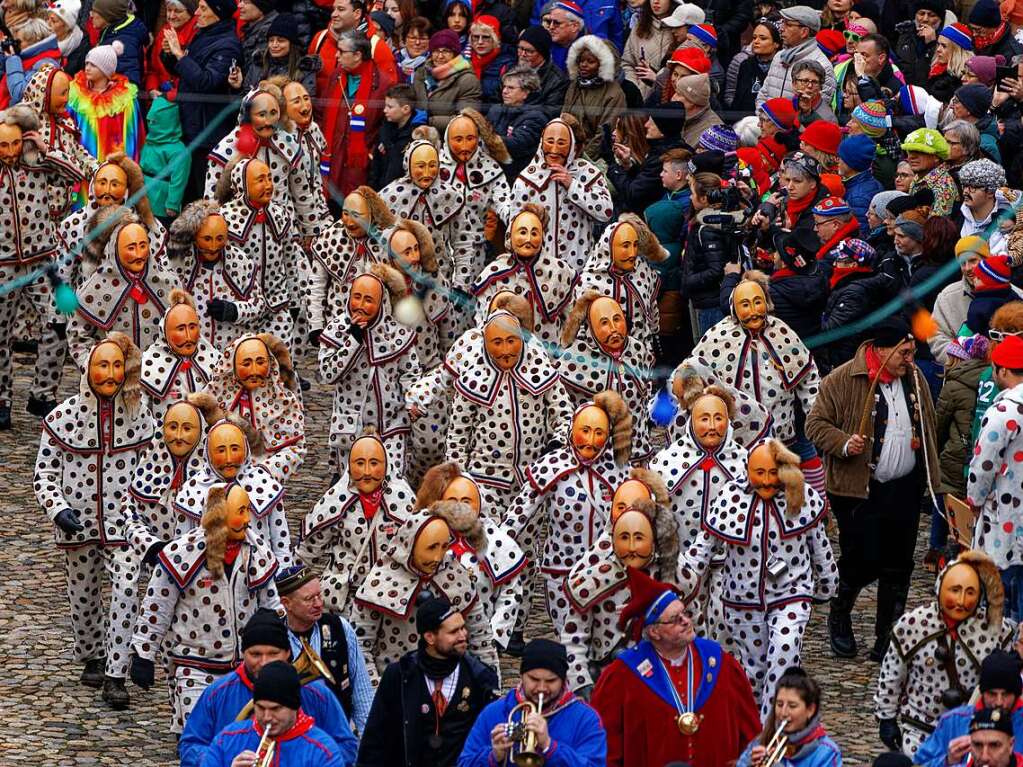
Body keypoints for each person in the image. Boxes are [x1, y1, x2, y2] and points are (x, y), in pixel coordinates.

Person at [806, 317, 941, 662]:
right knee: (861, 559)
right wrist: (842, 443)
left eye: (912, 352)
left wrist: (933, 481)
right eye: (904, 353)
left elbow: (928, 425)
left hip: (904, 489)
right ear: (881, 350)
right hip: (857, 491)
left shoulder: (914, 378)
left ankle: (887, 636)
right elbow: (815, 424)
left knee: (899, 564)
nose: (910, 360)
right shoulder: (842, 379)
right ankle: (840, 612)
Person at [677, 439, 837, 717]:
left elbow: (819, 545)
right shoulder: (730, 498)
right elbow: (702, 548)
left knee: (783, 658)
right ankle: (750, 736)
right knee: (753, 673)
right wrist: (676, 586)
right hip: (742, 602)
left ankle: (772, 734)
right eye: (758, 473)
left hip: (791, 593)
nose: (765, 481)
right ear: (747, 470)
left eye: (772, 473)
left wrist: (827, 583)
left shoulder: (801, 495)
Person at [34, 333, 151, 709]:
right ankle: (93, 655)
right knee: (83, 597)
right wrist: (57, 508)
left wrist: (146, 515)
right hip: (78, 524)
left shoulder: (139, 414)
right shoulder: (61, 418)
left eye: (118, 365)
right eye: (103, 365)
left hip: (124, 525)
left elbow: (151, 469)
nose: (111, 373)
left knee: (126, 591)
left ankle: (117, 674)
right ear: (88, 369)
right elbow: (44, 474)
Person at [128, 483, 281, 731]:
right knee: (197, 735)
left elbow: (271, 605)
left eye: (248, 510)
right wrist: (143, 654)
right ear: (221, 515)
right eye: (241, 511)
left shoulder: (255, 550)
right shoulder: (183, 553)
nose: (247, 518)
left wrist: (281, 647)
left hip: (244, 670)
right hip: (194, 667)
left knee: (239, 736)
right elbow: (157, 605)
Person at [590, 568, 761, 767]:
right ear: (654, 631)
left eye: (685, 613)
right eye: (675, 619)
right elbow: (605, 747)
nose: (686, 621)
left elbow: (750, 732)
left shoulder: (720, 662)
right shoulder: (623, 675)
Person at [875, 551, 1017, 757]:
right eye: (955, 590)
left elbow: (1005, 677)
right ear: (941, 589)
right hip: (919, 727)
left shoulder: (994, 629)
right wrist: (886, 717)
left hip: (971, 730)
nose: (961, 600)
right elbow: (892, 672)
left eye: (969, 592)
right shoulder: (914, 624)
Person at [178, 609, 357, 767]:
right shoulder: (218, 693)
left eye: (273, 653)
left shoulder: (316, 693)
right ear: (243, 654)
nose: (264, 662)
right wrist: (224, 759)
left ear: (287, 653)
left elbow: (347, 746)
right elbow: (190, 746)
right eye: (255, 654)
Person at [0, 103, 83, 427]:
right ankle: (2, 401)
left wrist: (48, 150)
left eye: (14, 144)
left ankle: (42, 395)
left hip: (41, 263)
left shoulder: (37, 161)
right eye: (3, 145)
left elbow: (76, 176)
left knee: (61, 322)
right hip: (3, 266)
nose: (9, 152)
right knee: (1, 338)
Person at [358, 596, 499, 766]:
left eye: (463, 628)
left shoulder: (480, 678)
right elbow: (375, 739)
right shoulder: (400, 675)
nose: (463, 636)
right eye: (454, 631)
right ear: (430, 638)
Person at [459, 638, 607, 766]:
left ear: (563, 680)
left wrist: (550, 747)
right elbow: (464, 763)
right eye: (534, 679)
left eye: (551, 681)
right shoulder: (495, 711)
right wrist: (493, 756)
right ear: (522, 675)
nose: (541, 688)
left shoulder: (586, 718)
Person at [276, 565, 373, 735]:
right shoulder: (273, 636)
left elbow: (362, 692)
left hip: (337, 736)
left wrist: (370, 743)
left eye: (319, 595)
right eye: (309, 599)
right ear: (286, 603)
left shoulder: (340, 627)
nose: (319, 604)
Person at [162, 0, 243, 203]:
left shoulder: (228, 45)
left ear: (218, 13)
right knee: (188, 195)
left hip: (208, 134)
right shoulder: (204, 34)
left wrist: (180, 55)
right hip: (191, 127)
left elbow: (206, 81)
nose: (196, 12)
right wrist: (170, 55)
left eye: (203, 8)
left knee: (204, 196)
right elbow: (186, 72)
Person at [507, 122, 614, 272]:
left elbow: (606, 212)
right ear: (541, 143)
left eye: (562, 143)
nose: (555, 150)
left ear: (572, 147)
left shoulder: (586, 173)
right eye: (550, 142)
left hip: (579, 269)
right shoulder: (526, 179)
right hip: (539, 272)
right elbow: (512, 229)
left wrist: (572, 185)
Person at [202, 661, 352, 766]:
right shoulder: (226, 739)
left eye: (276, 709)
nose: (267, 717)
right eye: (260, 708)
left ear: (295, 706)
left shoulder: (323, 750)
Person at [915, 650, 1023, 767]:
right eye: (992, 694)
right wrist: (947, 761)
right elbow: (919, 763)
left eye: (1006, 694)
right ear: (982, 692)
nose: (999, 702)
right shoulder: (954, 721)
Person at [736, 668, 843, 767]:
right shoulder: (763, 740)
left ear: (811, 709)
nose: (784, 713)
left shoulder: (827, 752)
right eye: (779, 704)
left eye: (792, 706)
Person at [308, 0, 398, 108]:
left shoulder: (376, 46)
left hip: (359, 119)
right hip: (320, 119)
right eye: (333, 9)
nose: (333, 14)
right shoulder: (320, 38)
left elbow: (388, 94)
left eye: (341, 9)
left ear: (357, 14)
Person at [66, 44, 142, 162]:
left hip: (113, 164)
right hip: (83, 161)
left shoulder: (124, 99)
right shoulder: (76, 95)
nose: (87, 68)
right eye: (87, 63)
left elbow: (131, 133)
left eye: (93, 65)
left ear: (105, 70)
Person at [757, 6, 837, 107]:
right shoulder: (779, 56)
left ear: (804, 32)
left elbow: (817, 110)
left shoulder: (822, 65)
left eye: (788, 24)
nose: (781, 28)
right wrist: (764, 117)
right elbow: (763, 94)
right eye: (782, 22)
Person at [563, 35, 625, 155]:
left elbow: (603, 135)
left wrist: (582, 158)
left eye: (590, 62)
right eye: (581, 60)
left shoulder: (614, 94)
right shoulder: (575, 85)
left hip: (594, 156)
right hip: (568, 149)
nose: (583, 65)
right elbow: (564, 118)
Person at [486, 64, 547, 180]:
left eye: (511, 88)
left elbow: (517, 144)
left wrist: (487, 140)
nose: (504, 91)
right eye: (504, 87)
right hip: (491, 172)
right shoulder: (495, 110)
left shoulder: (536, 117)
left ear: (526, 92)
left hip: (518, 178)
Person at [413, 29, 482, 132]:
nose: (440, 56)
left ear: (455, 54)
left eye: (446, 51)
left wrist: (429, 121)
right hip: (419, 136)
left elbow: (466, 120)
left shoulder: (468, 80)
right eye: (436, 51)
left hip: (449, 139)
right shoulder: (421, 73)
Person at [622, 0, 675, 99]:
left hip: (666, 102)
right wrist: (634, 88)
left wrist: (657, 79)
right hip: (638, 100)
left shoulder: (678, 32)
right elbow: (627, 63)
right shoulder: (639, 27)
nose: (656, 2)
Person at [726, 19, 782, 113]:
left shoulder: (781, 67)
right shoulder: (744, 64)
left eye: (763, 38)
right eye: (754, 37)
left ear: (776, 44)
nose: (756, 41)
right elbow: (734, 95)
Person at [145, 0, 196, 100]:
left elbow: (195, 79)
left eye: (178, 11)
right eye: (169, 10)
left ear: (190, 11)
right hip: (161, 96)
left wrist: (168, 96)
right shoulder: (164, 33)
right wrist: (152, 89)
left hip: (183, 101)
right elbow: (153, 70)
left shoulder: (197, 35)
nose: (171, 16)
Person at [89, 0, 148, 86]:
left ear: (108, 16)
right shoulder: (112, 31)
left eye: (95, 12)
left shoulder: (125, 42)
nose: (91, 15)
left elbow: (129, 82)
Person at [516, 26, 569, 120]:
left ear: (542, 53)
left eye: (529, 51)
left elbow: (551, 112)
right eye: (520, 48)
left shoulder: (558, 80)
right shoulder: (511, 70)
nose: (522, 54)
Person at [468, 15, 512, 105]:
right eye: (476, 37)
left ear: (495, 39)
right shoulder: (464, 60)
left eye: (486, 37)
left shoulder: (507, 63)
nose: (480, 42)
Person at [47, 0, 89, 76]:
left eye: (53, 21)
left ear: (67, 26)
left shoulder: (82, 47)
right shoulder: (43, 39)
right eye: (47, 18)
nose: (48, 24)